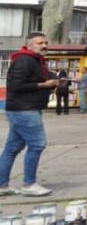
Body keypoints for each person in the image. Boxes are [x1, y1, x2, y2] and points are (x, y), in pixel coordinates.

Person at [0, 32, 58, 197]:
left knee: (12, 148)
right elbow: (16, 85)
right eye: (40, 43)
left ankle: (2, 186)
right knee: (37, 144)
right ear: (29, 45)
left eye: (45, 43)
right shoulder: (24, 60)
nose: (44, 46)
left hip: (24, 108)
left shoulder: (36, 60)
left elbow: (37, 79)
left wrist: (52, 80)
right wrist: (43, 85)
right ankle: (29, 184)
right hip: (24, 109)